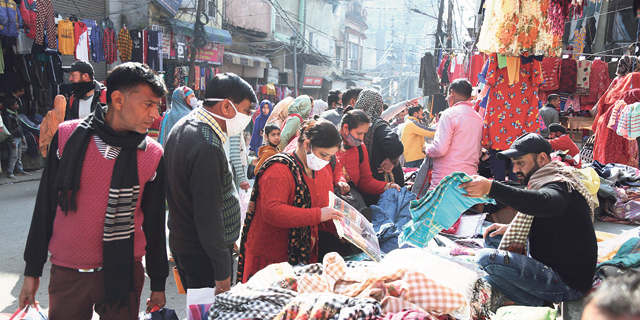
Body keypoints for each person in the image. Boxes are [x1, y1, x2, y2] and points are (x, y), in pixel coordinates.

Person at [19, 62, 169, 318]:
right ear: (118, 99)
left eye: (157, 105)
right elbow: (45, 205)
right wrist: (32, 272)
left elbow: (155, 223)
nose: (155, 114)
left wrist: (158, 283)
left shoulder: (152, 154)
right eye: (148, 104)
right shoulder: (67, 137)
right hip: (68, 273)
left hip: (124, 273)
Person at [461, 133, 597, 307]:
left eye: (520, 162)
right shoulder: (546, 180)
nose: (515, 169)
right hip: (548, 263)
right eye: (514, 163)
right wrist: (510, 227)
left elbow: (544, 202)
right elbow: (550, 222)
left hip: (567, 284)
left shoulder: (559, 184)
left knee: (485, 259)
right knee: (493, 236)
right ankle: (516, 292)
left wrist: (491, 187)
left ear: (541, 159)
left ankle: (539, 304)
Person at [164, 72, 257, 294]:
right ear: (226, 107)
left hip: (188, 245)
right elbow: (208, 217)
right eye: (246, 111)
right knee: (207, 312)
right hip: (201, 254)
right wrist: (223, 273)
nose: (248, 118)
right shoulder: (206, 146)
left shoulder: (186, 125)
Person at [237, 120, 344, 282]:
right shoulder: (279, 169)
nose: (326, 161)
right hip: (270, 257)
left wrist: (342, 229)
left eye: (330, 156)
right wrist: (317, 215)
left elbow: (324, 206)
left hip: (303, 253)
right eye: (323, 155)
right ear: (307, 145)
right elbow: (272, 211)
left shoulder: (321, 171)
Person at [426, 79, 483, 189]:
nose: (446, 98)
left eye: (447, 95)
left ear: (452, 93)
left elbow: (440, 149)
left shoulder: (449, 114)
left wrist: (427, 149)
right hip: (469, 179)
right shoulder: (478, 118)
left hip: (447, 180)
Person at [333, 109, 401, 199]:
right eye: (359, 133)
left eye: (364, 134)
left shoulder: (360, 147)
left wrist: (387, 186)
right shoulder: (329, 147)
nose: (361, 138)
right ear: (345, 128)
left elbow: (365, 181)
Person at [354, 89, 405, 204]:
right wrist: (393, 159)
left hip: (366, 183)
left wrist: (392, 159)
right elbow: (395, 145)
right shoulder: (377, 124)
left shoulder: (354, 123)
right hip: (381, 183)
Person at [3, 97, 29, 179]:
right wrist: (12, 140)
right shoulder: (9, 116)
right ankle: (10, 172)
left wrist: (22, 137)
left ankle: (19, 170)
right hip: (14, 138)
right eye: (16, 104)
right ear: (11, 106)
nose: (17, 105)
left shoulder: (15, 113)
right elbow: (10, 129)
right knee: (14, 156)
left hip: (18, 136)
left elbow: (19, 126)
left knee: (18, 155)